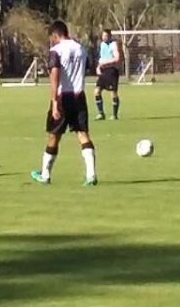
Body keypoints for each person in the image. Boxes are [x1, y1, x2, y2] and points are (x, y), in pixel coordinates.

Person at [31, 21, 97, 186]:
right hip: (79, 96)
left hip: (62, 97)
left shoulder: (56, 51)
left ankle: (45, 174)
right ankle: (91, 175)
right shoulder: (81, 49)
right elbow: (86, 68)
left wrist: (54, 101)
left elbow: (55, 75)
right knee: (83, 134)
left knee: (54, 135)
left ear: (55, 35)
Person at [94, 29, 122, 120]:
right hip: (103, 71)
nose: (104, 37)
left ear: (110, 36)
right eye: (103, 36)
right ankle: (101, 114)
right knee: (97, 91)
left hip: (112, 71)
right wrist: (98, 67)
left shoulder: (114, 44)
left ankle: (114, 114)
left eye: (106, 36)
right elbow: (101, 58)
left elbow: (117, 58)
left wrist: (105, 63)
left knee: (113, 93)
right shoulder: (102, 45)